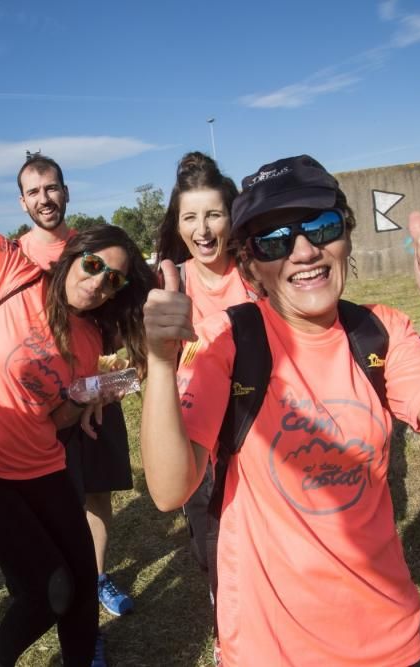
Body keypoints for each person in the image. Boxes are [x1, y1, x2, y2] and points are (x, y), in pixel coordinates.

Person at [140, 154, 420, 667]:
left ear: (345, 236)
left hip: (387, 637)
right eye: (274, 239)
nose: (304, 251)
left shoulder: (381, 331)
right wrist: (159, 363)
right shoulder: (230, 339)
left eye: (321, 227)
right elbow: (171, 490)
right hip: (269, 646)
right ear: (250, 262)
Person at [0, 47, 155, 666]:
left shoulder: (95, 339)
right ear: (74, 258)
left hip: (40, 467)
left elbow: (61, 413)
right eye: (94, 265)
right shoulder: (12, 271)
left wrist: (89, 401)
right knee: (47, 590)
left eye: (114, 280)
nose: (99, 281)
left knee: (79, 582)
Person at [15, 151, 137, 623]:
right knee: (50, 499)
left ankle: (97, 574)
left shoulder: (91, 245)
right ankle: (61, 581)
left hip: (97, 392)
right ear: (23, 202)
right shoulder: (18, 255)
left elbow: (121, 316)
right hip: (46, 403)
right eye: (34, 191)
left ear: (66, 192)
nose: (45, 199)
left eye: (52, 188)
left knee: (97, 493)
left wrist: (115, 373)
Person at [152, 152, 253, 611]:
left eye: (213, 214)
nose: (203, 229)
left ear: (232, 216)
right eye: (190, 217)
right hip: (198, 444)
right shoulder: (171, 284)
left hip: (258, 437)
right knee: (211, 552)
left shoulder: (258, 273)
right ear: (177, 225)